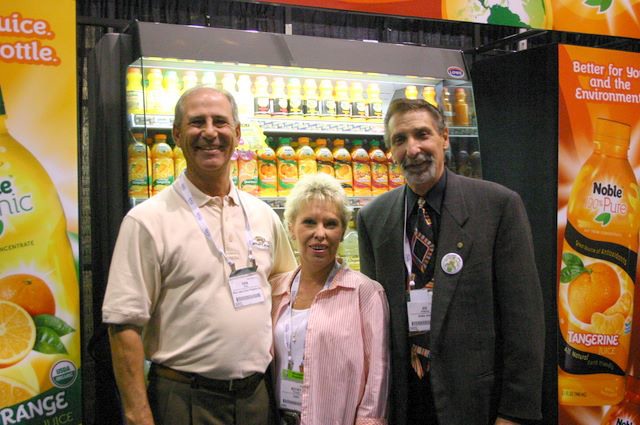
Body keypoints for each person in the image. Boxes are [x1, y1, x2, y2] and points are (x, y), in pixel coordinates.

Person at [102, 86, 297, 425]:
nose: (210, 132)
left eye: (220, 122)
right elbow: (123, 324)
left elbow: (287, 289)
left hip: (257, 398)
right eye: (197, 122)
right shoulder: (147, 220)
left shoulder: (262, 214)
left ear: (237, 133)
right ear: (177, 134)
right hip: (185, 400)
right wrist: (137, 414)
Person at [357, 98, 544, 425]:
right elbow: (373, 326)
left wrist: (515, 412)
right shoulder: (373, 219)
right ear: (390, 150)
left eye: (422, 134)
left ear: (444, 138)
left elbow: (524, 320)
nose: (412, 149)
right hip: (404, 404)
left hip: (476, 404)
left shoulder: (497, 206)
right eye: (400, 140)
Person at [270, 173, 390, 425]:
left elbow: (377, 377)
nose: (320, 233)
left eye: (331, 224)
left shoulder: (365, 293)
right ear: (291, 227)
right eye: (309, 222)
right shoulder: (276, 290)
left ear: (343, 231)